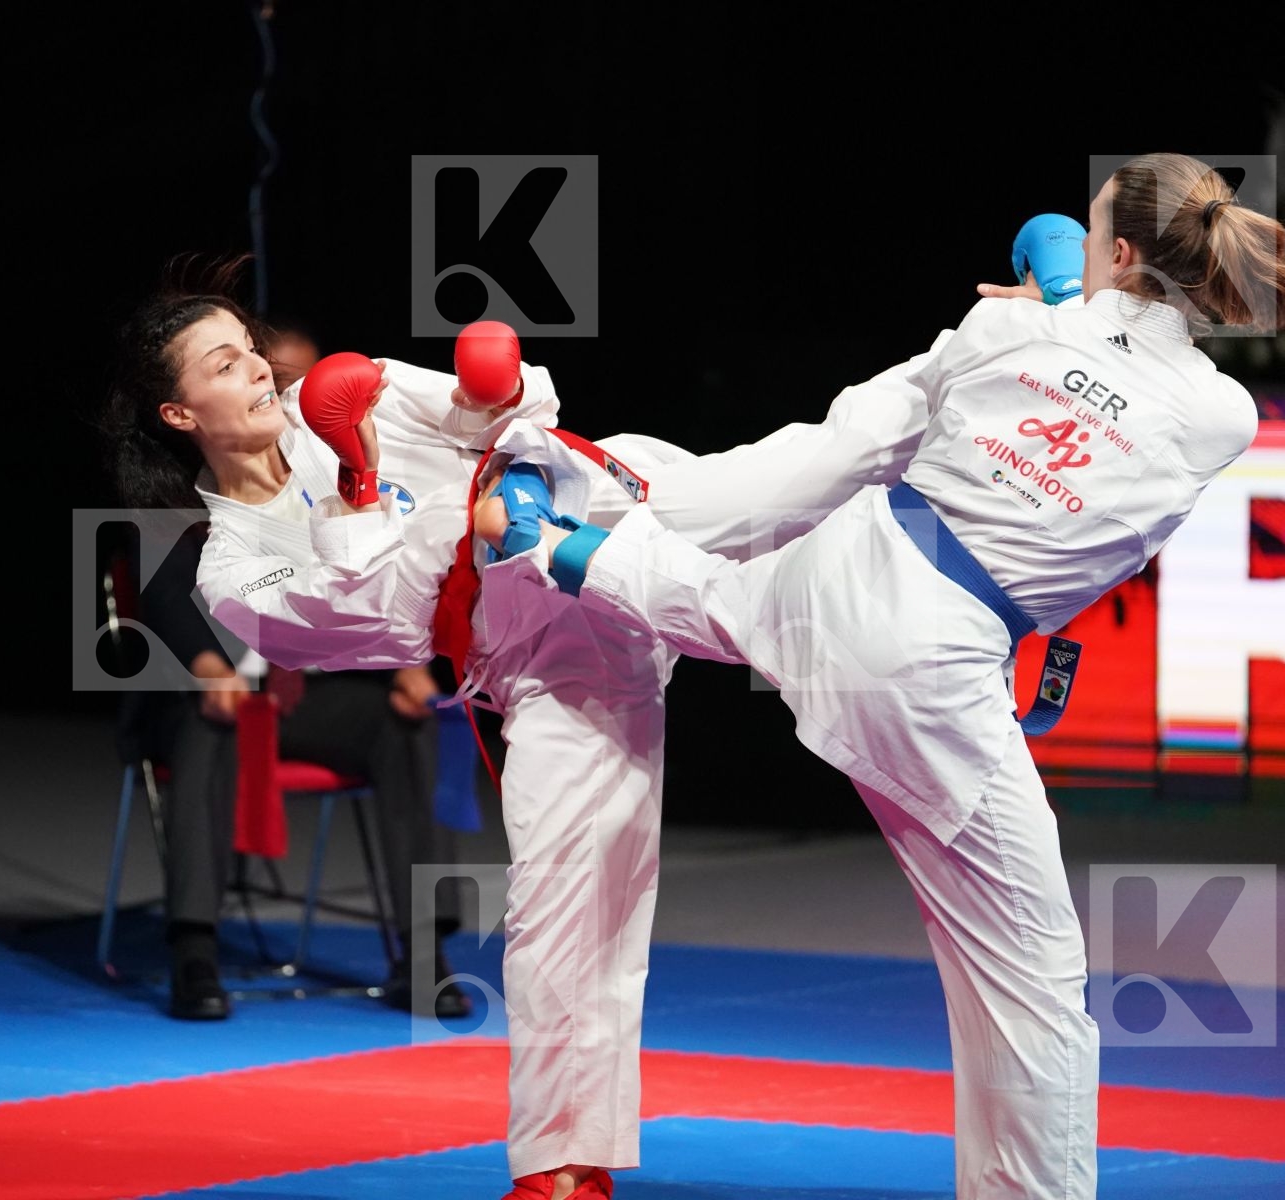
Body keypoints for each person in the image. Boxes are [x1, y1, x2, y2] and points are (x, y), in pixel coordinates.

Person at [502, 153, 1285, 1198]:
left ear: (1115, 253)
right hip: (932, 658)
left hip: (850, 565)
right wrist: (1070, 290)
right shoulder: (1219, 413)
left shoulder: (1003, 327)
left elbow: (1039, 343)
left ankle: (548, 539)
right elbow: (1114, 349)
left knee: (729, 605)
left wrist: (1056, 301)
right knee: (1032, 975)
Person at [102, 252, 938, 1200]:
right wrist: (369, 485)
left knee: (807, 476)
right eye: (223, 364)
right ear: (179, 415)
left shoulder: (339, 393)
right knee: (559, 906)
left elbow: (511, 411)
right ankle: (559, 1170)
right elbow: (368, 622)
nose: (256, 368)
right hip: (540, 656)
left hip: (596, 506)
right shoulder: (231, 566)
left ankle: (982, 360)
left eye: (249, 349)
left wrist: (493, 381)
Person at [127, 520, 468, 1021]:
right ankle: (194, 951)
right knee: (209, 726)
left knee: (406, 727)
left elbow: (368, 580)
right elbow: (162, 589)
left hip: (302, 699)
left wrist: (404, 663)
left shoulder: (314, 491)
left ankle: (423, 952)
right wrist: (209, 669)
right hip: (200, 694)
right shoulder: (175, 495)